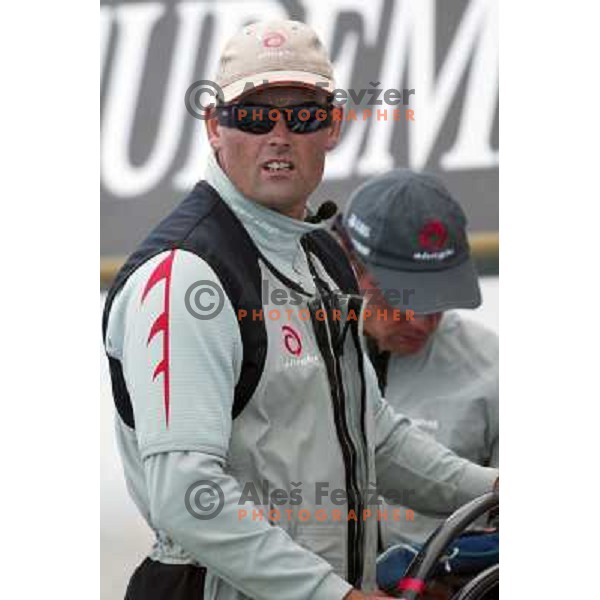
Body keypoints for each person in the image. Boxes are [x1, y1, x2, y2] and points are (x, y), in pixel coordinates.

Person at [102, 20, 498, 600]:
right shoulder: (184, 275)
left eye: (303, 115)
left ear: (333, 124)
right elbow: (188, 497)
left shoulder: (321, 259)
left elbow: (377, 438)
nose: (279, 135)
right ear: (215, 125)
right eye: (256, 115)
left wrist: (495, 491)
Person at [337, 169, 499, 549]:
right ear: (349, 266)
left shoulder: (500, 373)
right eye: (400, 296)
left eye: (438, 297)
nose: (420, 321)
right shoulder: (284, 351)